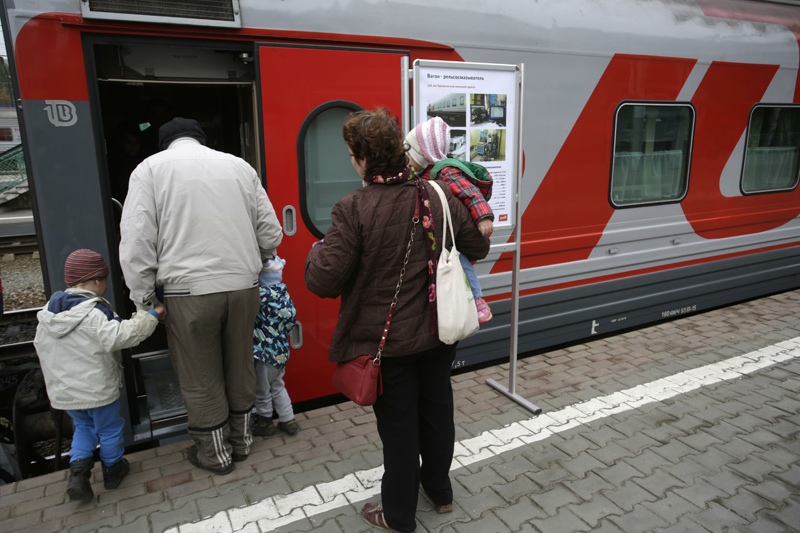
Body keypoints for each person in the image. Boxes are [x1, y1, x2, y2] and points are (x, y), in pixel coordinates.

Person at [305, 108, 489, 532]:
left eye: (353, 153)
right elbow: (476, 249)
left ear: (365, 158)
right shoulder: (438, 194)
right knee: (438, 410)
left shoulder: (353, 208)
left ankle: (399, 516)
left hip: (388, 344)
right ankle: (440, 492)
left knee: (400, 429)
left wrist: (317, 253)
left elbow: (322, 279)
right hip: (441, 331)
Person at [119, 117, 284, 475]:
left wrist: (145, 299)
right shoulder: (239, 166)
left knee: (200, 375)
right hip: (244, 288)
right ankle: (241, 444)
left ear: (165, 143)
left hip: (187, 293)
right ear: (201, 140)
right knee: (239, 365)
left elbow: (136, 242)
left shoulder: (149, 170)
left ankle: (215, 456)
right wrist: (256, 259)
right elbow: (271, 231)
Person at [33, 249, 164, 502]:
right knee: (109, 428)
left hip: (66, 392)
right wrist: (151, 315)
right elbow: (122, 335)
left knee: (83, 427)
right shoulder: (95, 313)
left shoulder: (48, 312)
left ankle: (79, 475)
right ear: (96, 281)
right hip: (97, 391)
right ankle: (113, 470)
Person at [405, 117, 495, 324]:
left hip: (457, 232)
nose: (405, 157)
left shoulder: (445, 172)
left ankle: (477, 299)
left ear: (423, 153)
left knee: (461, 262)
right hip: (446, 230)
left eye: (409, 153)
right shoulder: (425, 173)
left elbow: (470, 194)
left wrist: (483, 217)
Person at [252, 256, 300, 437]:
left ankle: (265, 422)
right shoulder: (283, 295)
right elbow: (290, 320)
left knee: (262, 389)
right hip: (281, 351)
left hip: (265, 353)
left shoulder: (259, 296)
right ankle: (288, 420)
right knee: (278, 385)